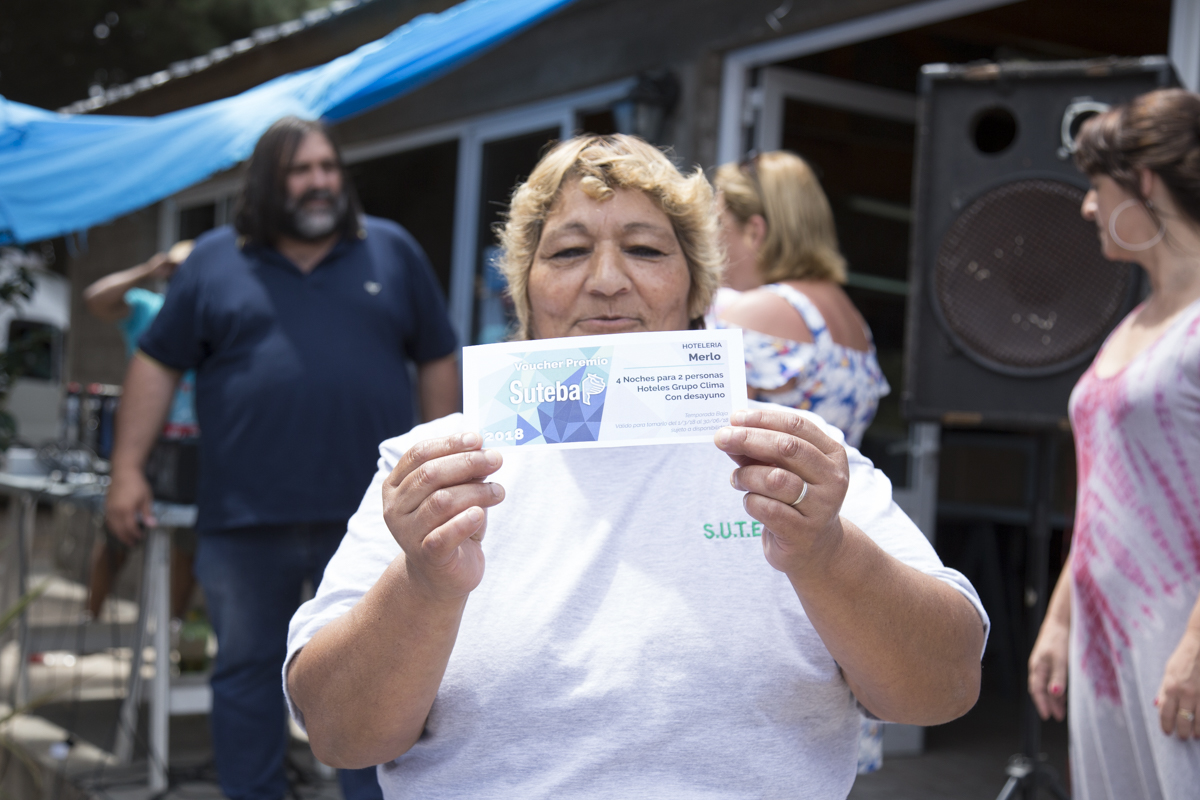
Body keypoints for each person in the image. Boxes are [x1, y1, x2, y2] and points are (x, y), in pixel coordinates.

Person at [283, 134, 988, 799]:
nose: (607, 281)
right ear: (525, 290)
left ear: (698, 288)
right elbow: (340, 734)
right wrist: (423, 583)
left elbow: (944, 688)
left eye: (645, 249)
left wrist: (827, 552)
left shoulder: (792, 460)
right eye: (568, 252)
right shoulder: (434, 471)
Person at [103, 116, 460, 800]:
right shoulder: (214, 261)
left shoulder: (391, 250)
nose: (319, 181)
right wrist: (126, 471)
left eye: (328, 167)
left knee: (375, 677)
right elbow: (155, 363)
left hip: (375, 523)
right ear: (268, 182)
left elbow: (437, 356)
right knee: (245, 673)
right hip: (244, 517)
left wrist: (441, 470)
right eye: (300, 170)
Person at [1027, 88, 1200, 797]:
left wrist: (1196, 645)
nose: (1088, 206)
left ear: (1145, 182)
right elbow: (1104, 493)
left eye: (1098, 187)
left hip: (1177, 631)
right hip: (1109, 634)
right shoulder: (1135, 323)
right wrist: (1060, 618)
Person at [712, 151, 889, 449]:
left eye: (718, 225)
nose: (712, 242)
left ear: (754, 232)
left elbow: (715, 446)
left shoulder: (757, 311)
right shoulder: (852, 318)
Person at [81, 241, 198, 624]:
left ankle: (172, 631)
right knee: (118, 535)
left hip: (196, 448)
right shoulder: (150, 309)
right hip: (146, 446)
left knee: (187, 545)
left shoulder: (212, 315)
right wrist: (149, 269)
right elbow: (96, 299)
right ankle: (90, 618)